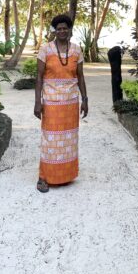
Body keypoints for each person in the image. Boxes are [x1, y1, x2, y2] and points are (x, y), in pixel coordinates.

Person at [34, 14, 88, 193]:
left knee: (68, 140)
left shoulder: (77, 50)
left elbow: (80, 76)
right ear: (54, 31)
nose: (62, 31)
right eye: (59, 29)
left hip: (71, 103)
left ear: (69, 30)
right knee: (50, 140)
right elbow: (39, 77)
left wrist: (85, 100)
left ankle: (65, 175)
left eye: (65, 28)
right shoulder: (46, 50)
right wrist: (37, 102)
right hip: (51, 102)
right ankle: (44, 177)